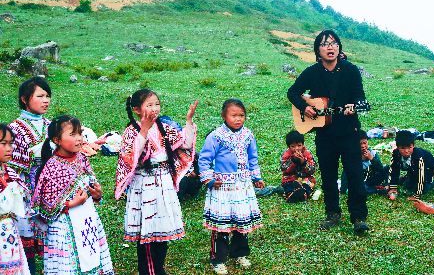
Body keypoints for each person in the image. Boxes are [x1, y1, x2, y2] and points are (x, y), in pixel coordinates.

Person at [287, 29, 371, 235]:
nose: (330, 47)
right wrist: (304, 106)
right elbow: (292, 92)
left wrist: (355, 105)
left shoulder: (350, 70)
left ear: (339, 47)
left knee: (354, 174)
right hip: (324, 133)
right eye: (325, 44)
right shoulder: (312, 72)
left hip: (349, 131)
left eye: (333, 43)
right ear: (318, 50)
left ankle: (358, 216)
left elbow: (360, 97)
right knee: (328, 175)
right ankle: (333, 213)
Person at [115, 89, 198, 275]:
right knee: (147, 232)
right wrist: (144, 130)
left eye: (157, 104)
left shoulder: (163, 127)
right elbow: (131, 157)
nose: (154, 109)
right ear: (137, 109)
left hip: (163, 183)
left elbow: (184, 144)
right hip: (144, 185)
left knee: (162, 230)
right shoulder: (131, 131)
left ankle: (159, 268)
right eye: (149, 105)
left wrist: (189, 121)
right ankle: (148, 271)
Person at [32, 115, 114, 274]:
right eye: (73, 134)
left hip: (87, 219)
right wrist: (71, 203)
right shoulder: (52, 168)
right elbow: (45, 207)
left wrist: (97, 194)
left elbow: (91, 184)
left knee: (92, 259)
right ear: (57, 139)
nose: (79, 139)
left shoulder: (82, 158)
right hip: (64, 226)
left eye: (80, 134)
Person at [198, 99, 264, 275]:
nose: (238, 119)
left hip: (242, 186)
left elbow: (253, 158)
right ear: (224, 116)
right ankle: (218, 259)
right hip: (222, 187)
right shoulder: (216, 136)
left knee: (241, 221)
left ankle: (239, 253)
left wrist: (256, 177)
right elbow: (204, 160)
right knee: (221, 225)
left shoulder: (248, 135)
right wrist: (209, 179)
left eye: (241, 115)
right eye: (233, 115)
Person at [8, 77, 52, 274]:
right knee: (26, 245)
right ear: (25, 99)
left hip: (49, 190)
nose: (46, 100)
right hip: (25, 191)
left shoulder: (52, 125)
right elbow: (11, 167)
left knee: (53, 240)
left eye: (48, 96)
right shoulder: (14, 129)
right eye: (40, 96)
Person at [0, 123, 31, 275]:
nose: (9, 148)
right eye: (3, 143)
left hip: (9, 233)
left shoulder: (9, 173)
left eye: (11, 143)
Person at [387, 130, 434, 200]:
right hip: (413, 167)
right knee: (407, 185)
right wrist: (393, 188)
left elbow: (421, 177)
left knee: (424, 189)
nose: (406, 151)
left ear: (413, 146)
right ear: (397, 147)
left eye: (409, 147)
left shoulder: (419, 157)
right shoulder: (395, 154)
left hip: (428, 166)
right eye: (402, 148)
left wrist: (416, 195)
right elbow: (393, 170)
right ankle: (409, 176)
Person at [340, 129, 388, 195]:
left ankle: (386, 185)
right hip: (359, 182)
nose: (363, 146)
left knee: (387, 168)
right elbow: (345, 173)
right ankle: (377, 190)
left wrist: (372, 159)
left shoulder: (373, 153)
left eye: (365, 143)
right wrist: (343, 189)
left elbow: (380, 169)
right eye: (360, 144)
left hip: (371, 179)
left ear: (367, 142)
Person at [280, 130, 316, 203]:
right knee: (288, 184)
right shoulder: (286, 154)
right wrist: (292, 160)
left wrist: (304, 162)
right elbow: (283, 169)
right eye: (293, 146)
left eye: (299, 145)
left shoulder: (307, 153)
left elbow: (313, 169)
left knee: (308, 184)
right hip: (290, 178)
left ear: (303, 145)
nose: (296, 148)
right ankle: (291, 194)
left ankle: (303, 193)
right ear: (289, 147)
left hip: (305, 177)